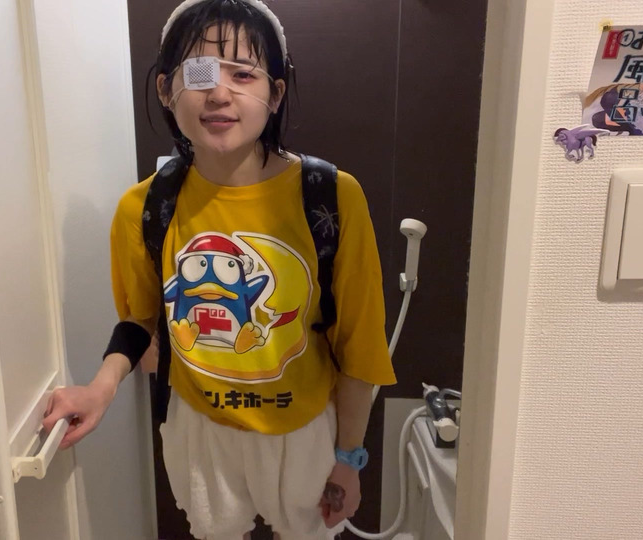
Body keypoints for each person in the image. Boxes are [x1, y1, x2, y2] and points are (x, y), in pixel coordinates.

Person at [43, 1, 396, 538]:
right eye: (199, 73)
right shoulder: (144, 208)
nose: (219, 93)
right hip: (200, 428)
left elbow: (360, 345)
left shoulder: (331, 197)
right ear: (167, 89)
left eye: (243, 74)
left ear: (275, 94)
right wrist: (99, 389)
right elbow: (140, 321)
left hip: (302, 429)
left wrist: (350, 458)